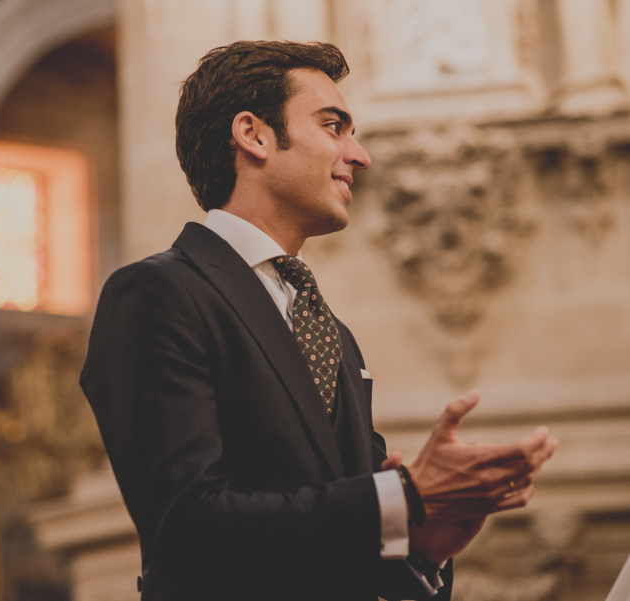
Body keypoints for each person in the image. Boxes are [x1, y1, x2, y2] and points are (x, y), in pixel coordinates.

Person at [81, 40, 557, 601]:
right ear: (253, 134)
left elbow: (340, 531)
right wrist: (399, 499)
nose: (360, 156)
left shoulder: (331, 332)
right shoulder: (159, 293)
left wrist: (423, 545)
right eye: (334, 127)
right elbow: (187, 528)